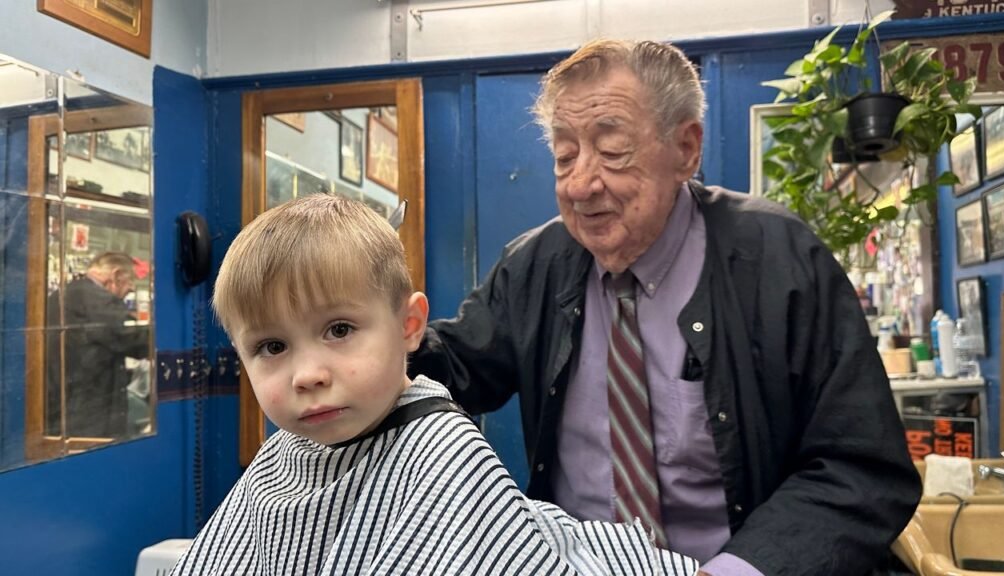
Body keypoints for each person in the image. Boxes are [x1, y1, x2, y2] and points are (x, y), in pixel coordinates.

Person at [409, 39, 921, 576]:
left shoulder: (780, 259)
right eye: (564, 156)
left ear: (686, 150)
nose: (581, 184)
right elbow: (456, 365)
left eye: (611, 151)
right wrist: (366, 333)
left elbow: (860, 466)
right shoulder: (535, 265)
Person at [170, 194, 699, 575]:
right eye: (272, 347)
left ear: (409, 326)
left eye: (339, 330)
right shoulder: (287, 454)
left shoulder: (442, 452)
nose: (307, 375)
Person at [45, 251, 149, 438]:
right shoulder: (97, 299)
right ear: (116, 275)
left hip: (62, 404)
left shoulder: (61, 295)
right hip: (90, 409)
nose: (131, 288)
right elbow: (132, 337)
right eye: (130, 281)